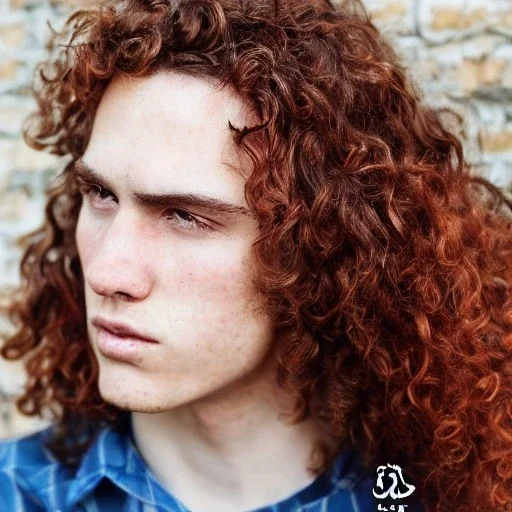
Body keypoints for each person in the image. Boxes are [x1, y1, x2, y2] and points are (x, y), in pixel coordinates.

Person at [0, 0, 511, 510]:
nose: (110, 271)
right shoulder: (19, 493)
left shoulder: (438, 497)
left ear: (321, 244)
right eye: (101, 195)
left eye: (184, 216)